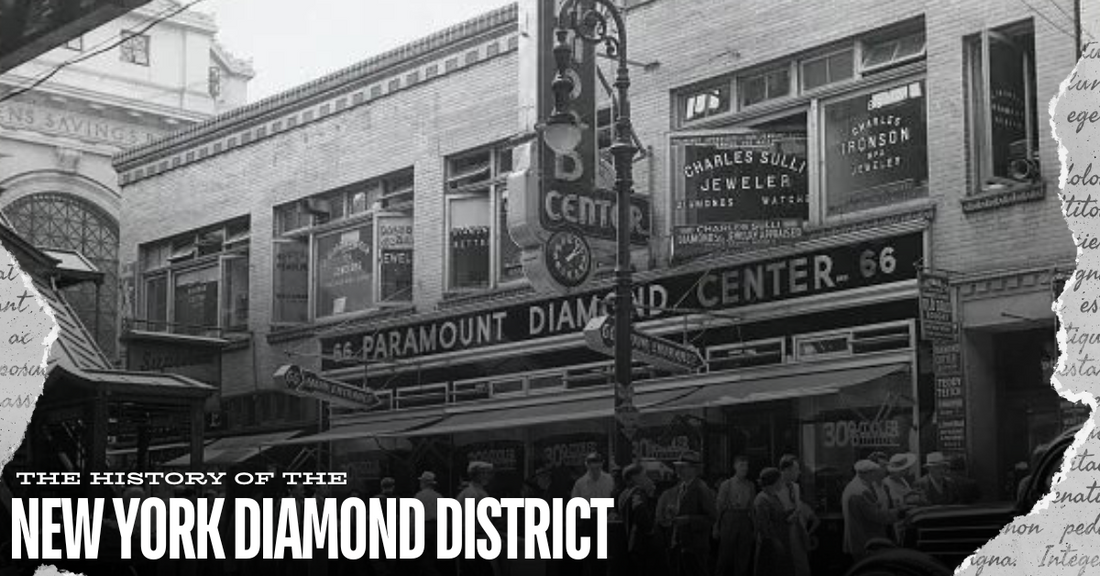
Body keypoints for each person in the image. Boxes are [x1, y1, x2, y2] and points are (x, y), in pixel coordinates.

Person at [841, 460, 901, 562]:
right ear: (868, 473)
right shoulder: (861, 491)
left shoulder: (852, 486)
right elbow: (877, 516)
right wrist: (899, 513)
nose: (876, 475)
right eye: (875, 472)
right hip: (865, 542)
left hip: (858, 540)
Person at [669, 450, 717, 576]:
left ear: (694, 469)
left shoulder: (701, 489)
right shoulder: (683, 486)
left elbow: (711, 517)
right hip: (684, 545)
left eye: (683, 467)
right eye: (678, 467)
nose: (678, 470)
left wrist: (688, 519)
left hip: (696, 547)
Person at [618, 463, 667, 576]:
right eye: (644, 475)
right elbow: (640, 512)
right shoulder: (638, 492)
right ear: (635, 477)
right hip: (642, 543)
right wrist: (650, 530)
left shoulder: (624, 493)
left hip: (631, 541)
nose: (647, 479)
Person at [571, 452, 614, 576]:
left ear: (602, 464)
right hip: (588, 522)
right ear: (587, 466)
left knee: (607, 555)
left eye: (598, 467)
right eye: (592, 468)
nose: (595, 471)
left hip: (607, 520)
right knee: (590, 556)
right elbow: (575, 505)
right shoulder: (580, 483)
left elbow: (614, 499)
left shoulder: (610, 480)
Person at [714, 456, 756, 576]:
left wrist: (755, 527)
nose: (744, 468)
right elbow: (719, 507)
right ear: (735, 467)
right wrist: (716, 526)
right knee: (725, 554)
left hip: (745, 518)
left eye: (746, 465)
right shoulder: (726, 484)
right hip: (729, 518)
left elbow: (752, 508)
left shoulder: (750, 485)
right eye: (741, 465)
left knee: (744, 554)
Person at [752, 468, 794, 576]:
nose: (782, 483)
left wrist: (790, 514)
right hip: (770, 544)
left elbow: (777, 515)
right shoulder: (762, 499)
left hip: (779, 540)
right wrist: (776, 543)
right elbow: (763, 526)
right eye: (780, 480)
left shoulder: (773, 496)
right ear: (773, 481)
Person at [457, 462, 495, 576]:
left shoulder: (466, 492)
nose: (488, 476)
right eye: (485, 473)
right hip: (475, 538)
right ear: (477, 475)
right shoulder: (477, 494)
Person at [776, 455, 812, 576]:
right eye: (796, 469)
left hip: (797, 530)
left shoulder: (796, 487)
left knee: (802, 565)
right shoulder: (774, 488)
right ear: (786, 470)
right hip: (782, 532)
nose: (799, 472)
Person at [416, 471, 443, 576]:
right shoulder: (439, 496)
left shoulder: (419, 496)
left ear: (424, 483)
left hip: (424, 527)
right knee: (434, 555)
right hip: (437, 527)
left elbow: (415, 515)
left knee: (424, 556)